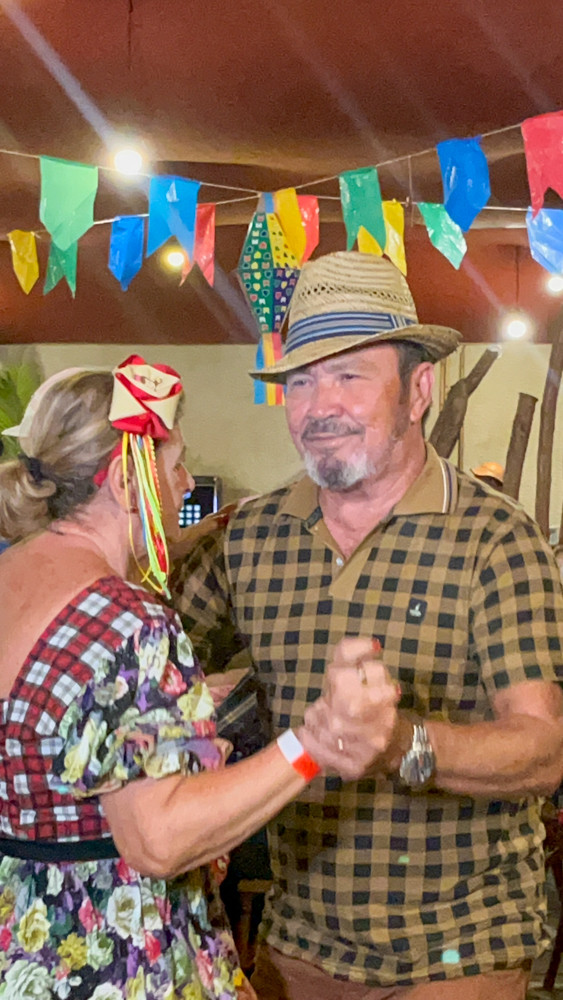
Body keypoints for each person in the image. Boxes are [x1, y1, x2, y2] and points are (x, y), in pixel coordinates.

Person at [173, 251, 563, 1000]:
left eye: (349, 375)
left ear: (418, 390)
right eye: (300, 381)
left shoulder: (493, 538)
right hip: (297, 942)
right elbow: (147, 662)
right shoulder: (249, 536)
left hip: (460, 946)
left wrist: (402, 743)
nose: (320, 406)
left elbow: (545, 749)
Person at [0, 355, 395, 1000]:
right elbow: (158, 840)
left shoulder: (11, 575)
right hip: (119, 962)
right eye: (175, 463)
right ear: (127, 481)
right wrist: (314, 743)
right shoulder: (128, 620)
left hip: (24, 949)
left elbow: (56, 731)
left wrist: (176, 715)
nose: (184, 485)